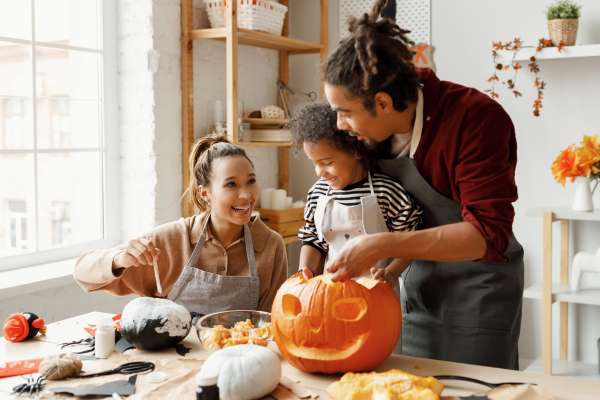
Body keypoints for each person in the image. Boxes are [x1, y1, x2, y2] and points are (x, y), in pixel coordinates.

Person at [321, 0, 524, 370]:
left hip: (479, 290)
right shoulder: (365, 135)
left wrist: (382, 244)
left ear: (382, 103)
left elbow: (486, 235)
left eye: (345, 112)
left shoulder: (475, 120)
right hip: (414, 285)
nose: (339, 125)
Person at [74, 136, 288, 314]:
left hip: (242, 359)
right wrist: (119, 259)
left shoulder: (270, 245)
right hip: (177, 362)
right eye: (231, 184)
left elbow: (272, 323)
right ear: (205, 193)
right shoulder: (174, 240)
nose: (246, 195)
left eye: (251, 181)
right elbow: (82, 272)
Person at [291, 102, 421, 285]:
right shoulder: (317, 193)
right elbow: (313, 240)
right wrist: (304, 273)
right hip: (331, 291)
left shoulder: (387, 192)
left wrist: (390, 273)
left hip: (377, 293)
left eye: (327, 162)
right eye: (314, 163)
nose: (319, 172)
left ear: (356, 151)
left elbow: (409, 242)